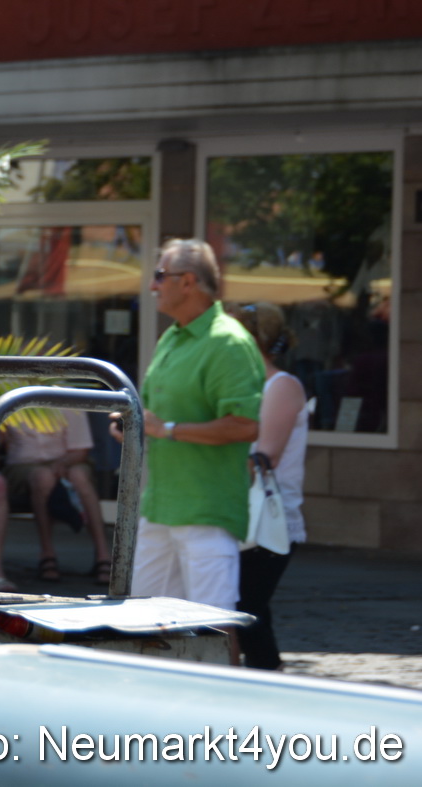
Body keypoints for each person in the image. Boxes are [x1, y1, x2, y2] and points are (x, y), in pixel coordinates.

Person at [119, 239, 263, 610]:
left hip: (206, 512)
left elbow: (245, 427)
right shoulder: (173, 336)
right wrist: (134, 424)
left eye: (160, 276)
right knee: (144, 621)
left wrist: (166, 428)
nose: (152, 285)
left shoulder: (228, 342)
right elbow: (156, 415)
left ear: (188, 282)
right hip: (160, 507)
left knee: (211, 625)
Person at [232, 301, 313, 669]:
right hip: (234, 513)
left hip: (266, 519)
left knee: (246, 610)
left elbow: (265, 457)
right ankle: (262, 680)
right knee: (245, 609)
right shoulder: (238, 383)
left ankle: (265, 681)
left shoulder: (281, 386)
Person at [0, 415, 112, 591]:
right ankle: (47, 553)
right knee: (43, 477)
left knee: (79, 476)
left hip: (69, 462)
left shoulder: (69, 402)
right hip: (22, 466)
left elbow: (81, 450)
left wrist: (60, 464)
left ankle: (104, 556)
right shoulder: (13, 396)